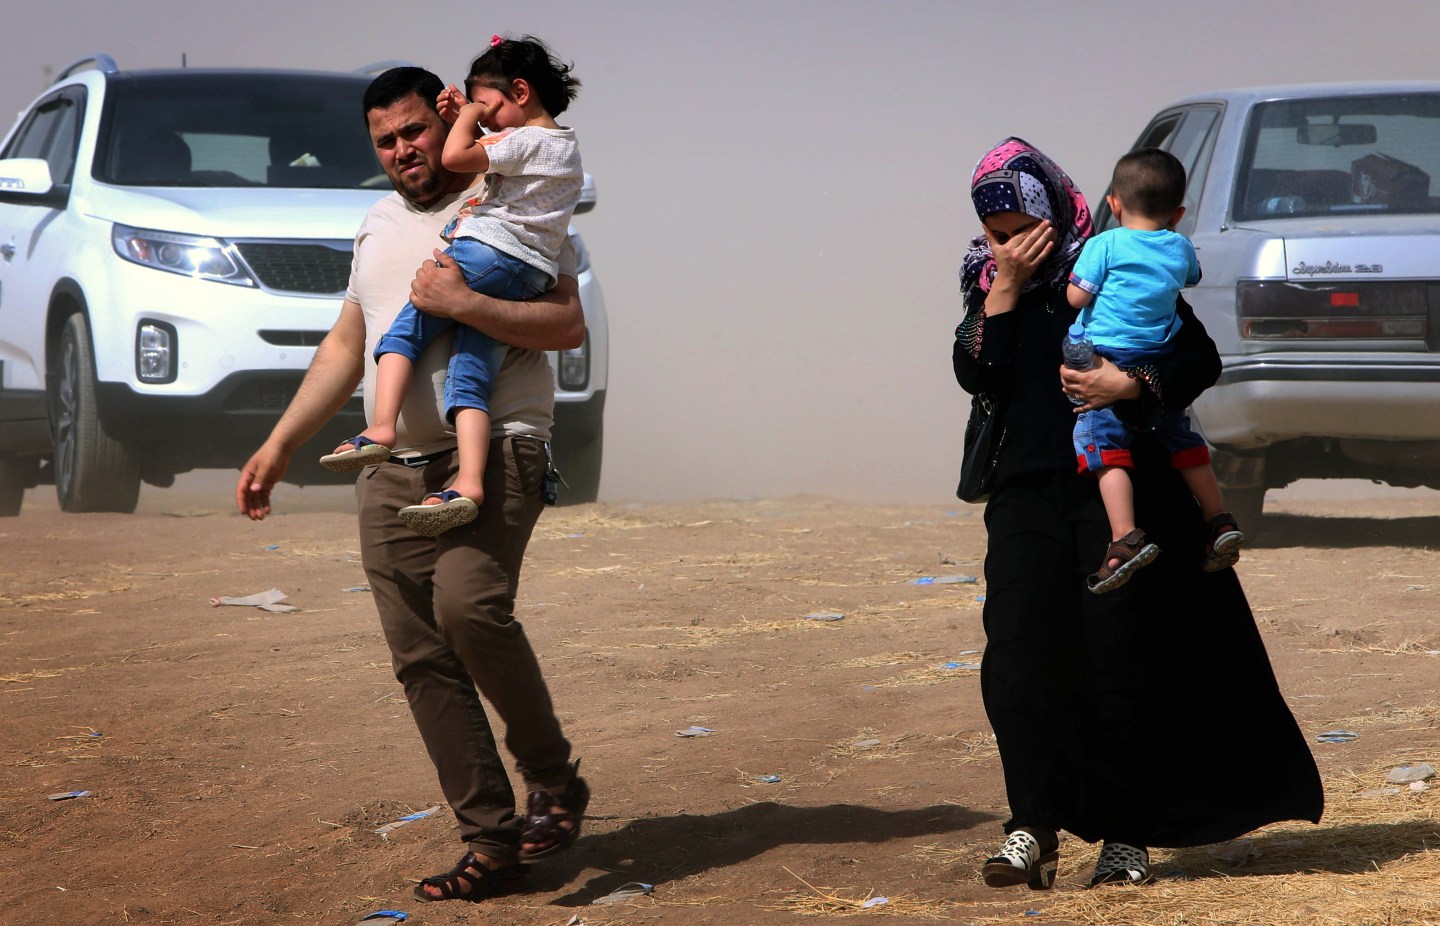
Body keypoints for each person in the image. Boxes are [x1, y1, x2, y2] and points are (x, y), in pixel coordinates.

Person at [237, 65, 590, 905]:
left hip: (496, 451)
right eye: (384, 141)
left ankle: (551, 777)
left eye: (414, 131)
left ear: (447, 119)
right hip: (391, 474)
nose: (402, 151)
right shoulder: (376, 225)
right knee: (422, 659)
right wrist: (281, 442)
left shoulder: (514, 200)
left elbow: (566, 324)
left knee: (469, 609)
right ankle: (492, 842)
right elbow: (346, 345)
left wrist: (465, 301)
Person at [953, 137, 1322, 890]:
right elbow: (976, 369)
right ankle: (1032, 825)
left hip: (1121, 492)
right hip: (1026, 495)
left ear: (1059, 214)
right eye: (997, 234)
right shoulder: (989, 286)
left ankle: (1128, 834)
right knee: (1019, 658)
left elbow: (1198, 358)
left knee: (1122, 658)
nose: (1011, 244)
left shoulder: (1119, 265)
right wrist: (1005, 287)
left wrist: (1131, 385)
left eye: (1025, 229)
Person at [321, 36, 583, 538]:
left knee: (403, 333)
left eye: (490, 105)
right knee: (470, 379)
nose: (487, 117)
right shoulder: (563, 146)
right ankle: (469, 484)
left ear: (521, 92)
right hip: (526, 272)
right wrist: (475, 113)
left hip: (486, 254)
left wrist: (466, 119)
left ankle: (380, 428)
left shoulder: (525, 141)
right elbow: (501, 153)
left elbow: (460, 155)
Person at [1064, 148, 1241, 592]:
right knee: (1183, 440)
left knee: (1101, 445)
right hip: (1159, 359)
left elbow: (1076, 298)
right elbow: (1191, 278)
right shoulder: (1180, 246)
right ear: (1178, 213)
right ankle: (1219, 519)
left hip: (1106, 353)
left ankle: (1125, 536)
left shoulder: (1104, 244)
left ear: (1113, 204)